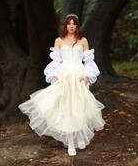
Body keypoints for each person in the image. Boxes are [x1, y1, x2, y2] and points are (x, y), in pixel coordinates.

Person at [18, 13, 105, 156]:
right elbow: (56, 61)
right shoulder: (59, 41)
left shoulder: (83, 40)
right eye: (69, 23)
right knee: (67, 107)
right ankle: (71, 143)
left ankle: (80, 138)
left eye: (74, 23)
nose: (71, 26)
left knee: (80, 107)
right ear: (65, 25)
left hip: (79, 76)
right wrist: (54, 74)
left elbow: (89, 61)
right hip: (64, 76)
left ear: (77, 26)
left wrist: (87, 76)